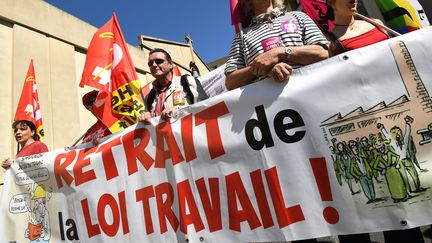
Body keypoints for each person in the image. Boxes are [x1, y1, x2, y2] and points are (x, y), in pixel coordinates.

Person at [225, 0, 329, 90]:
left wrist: (281, 53)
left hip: (315, 92)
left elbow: (324, 53)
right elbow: (230, 82)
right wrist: (262, 68)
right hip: (273, 108)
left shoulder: (298, 16)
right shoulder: (241, 38)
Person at [144, 48, 207, 121]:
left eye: (158, 61)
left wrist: (178, 111)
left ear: (170, 64)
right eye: (150, 63)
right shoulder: (149, 97)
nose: (154, 65)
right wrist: (145, 117)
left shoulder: (187, 81)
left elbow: (206, 107)